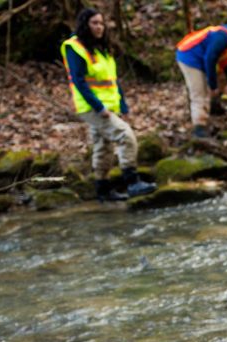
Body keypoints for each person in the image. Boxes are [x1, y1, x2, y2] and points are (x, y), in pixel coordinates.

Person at [60, 8, 156, 202]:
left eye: (101, 23)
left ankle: (103, 190)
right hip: (91, 107)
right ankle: (132, 182)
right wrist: (98, 107)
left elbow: (112, 80)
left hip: (107, 105)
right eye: (95, 23)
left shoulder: (101, 49)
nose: (99, 27)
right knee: (125, 135)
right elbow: (79, 81)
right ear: (85, 25)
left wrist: (122, 103)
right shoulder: (75, 47)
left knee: (103, 146)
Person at [175, 22, 227, 138]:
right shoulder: (223, 36)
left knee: (221, 79)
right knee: (199, 92)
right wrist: (213, 85)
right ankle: (199, 129)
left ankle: (212, 105)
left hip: (201, 61)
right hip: (189, 57)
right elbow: (209, 58)